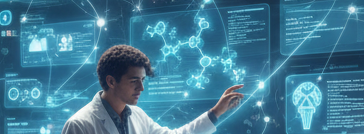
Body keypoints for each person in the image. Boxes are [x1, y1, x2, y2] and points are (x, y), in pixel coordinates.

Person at [61, 44, 244, 134]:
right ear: (111, 81)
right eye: (134, 80)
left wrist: (216, 112)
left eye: (142, 80)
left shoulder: (138, 115)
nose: (141, 87)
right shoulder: (79, 125)